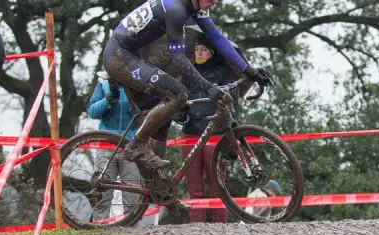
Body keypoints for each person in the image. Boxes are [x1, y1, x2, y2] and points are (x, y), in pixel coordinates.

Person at [102, 0, 270, 172]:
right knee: (179, 94)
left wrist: (248, 70)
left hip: (136, 57)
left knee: (164, 118)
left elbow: (217, 38)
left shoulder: (194, 8)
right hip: (120, 57)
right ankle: (136, 145)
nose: (216, 2)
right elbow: (179, 58)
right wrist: (209, 87)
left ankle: (154, 188)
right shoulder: (176, 9)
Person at [177, 38, 238, 223]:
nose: (199, 53)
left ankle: (220, 228)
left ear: (212, 52)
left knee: (217, 188)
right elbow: (178, 98)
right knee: (194, 188)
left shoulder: (224, 73)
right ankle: (197, 228)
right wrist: (179, 114)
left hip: (216, 134)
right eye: (196, 50)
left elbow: (234, 100)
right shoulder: (187, 74)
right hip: (190, 133)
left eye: (203, 49)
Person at [86, 71, 142, 221]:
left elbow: (147, 113)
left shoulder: (140, 80)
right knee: (102, 197)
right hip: (106, 145)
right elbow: (92, 112)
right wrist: (107, 101)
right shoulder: (104, 83)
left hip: (131, 145)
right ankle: (99, 232)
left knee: (132, 198)